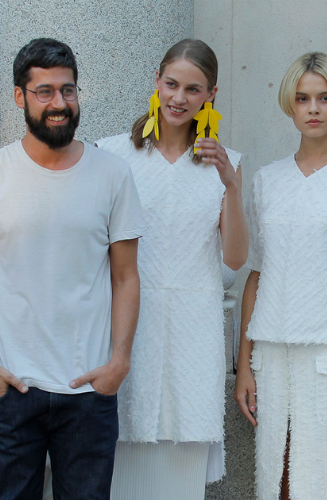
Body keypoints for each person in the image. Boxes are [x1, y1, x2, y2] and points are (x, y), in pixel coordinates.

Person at [0, 37, 144, 500]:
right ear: (20, 96)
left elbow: (126, 277)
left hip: (89, 392)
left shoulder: (112, 174)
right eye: (45, 92)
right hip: (11, 387)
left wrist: (118, 362)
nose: (59, 103)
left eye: (68, 90)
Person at [96, 39, 249, 500]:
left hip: (193, 332)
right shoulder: (113, 154)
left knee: (179, 472)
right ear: (156, 82)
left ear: (211, 95)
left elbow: (236, 258)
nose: (179, 98)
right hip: (127, 326)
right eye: (171, 84)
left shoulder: (227, 164)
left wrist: (231, 186)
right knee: (121, 457)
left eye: (193, 89)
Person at [234, 52, 327, 500]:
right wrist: (244, 364)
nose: (313, 108)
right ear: (289, 105)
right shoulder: (266, 181)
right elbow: (256, 275)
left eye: (324, 98)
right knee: (278, 483)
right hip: (273, 361)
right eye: (302, 98)